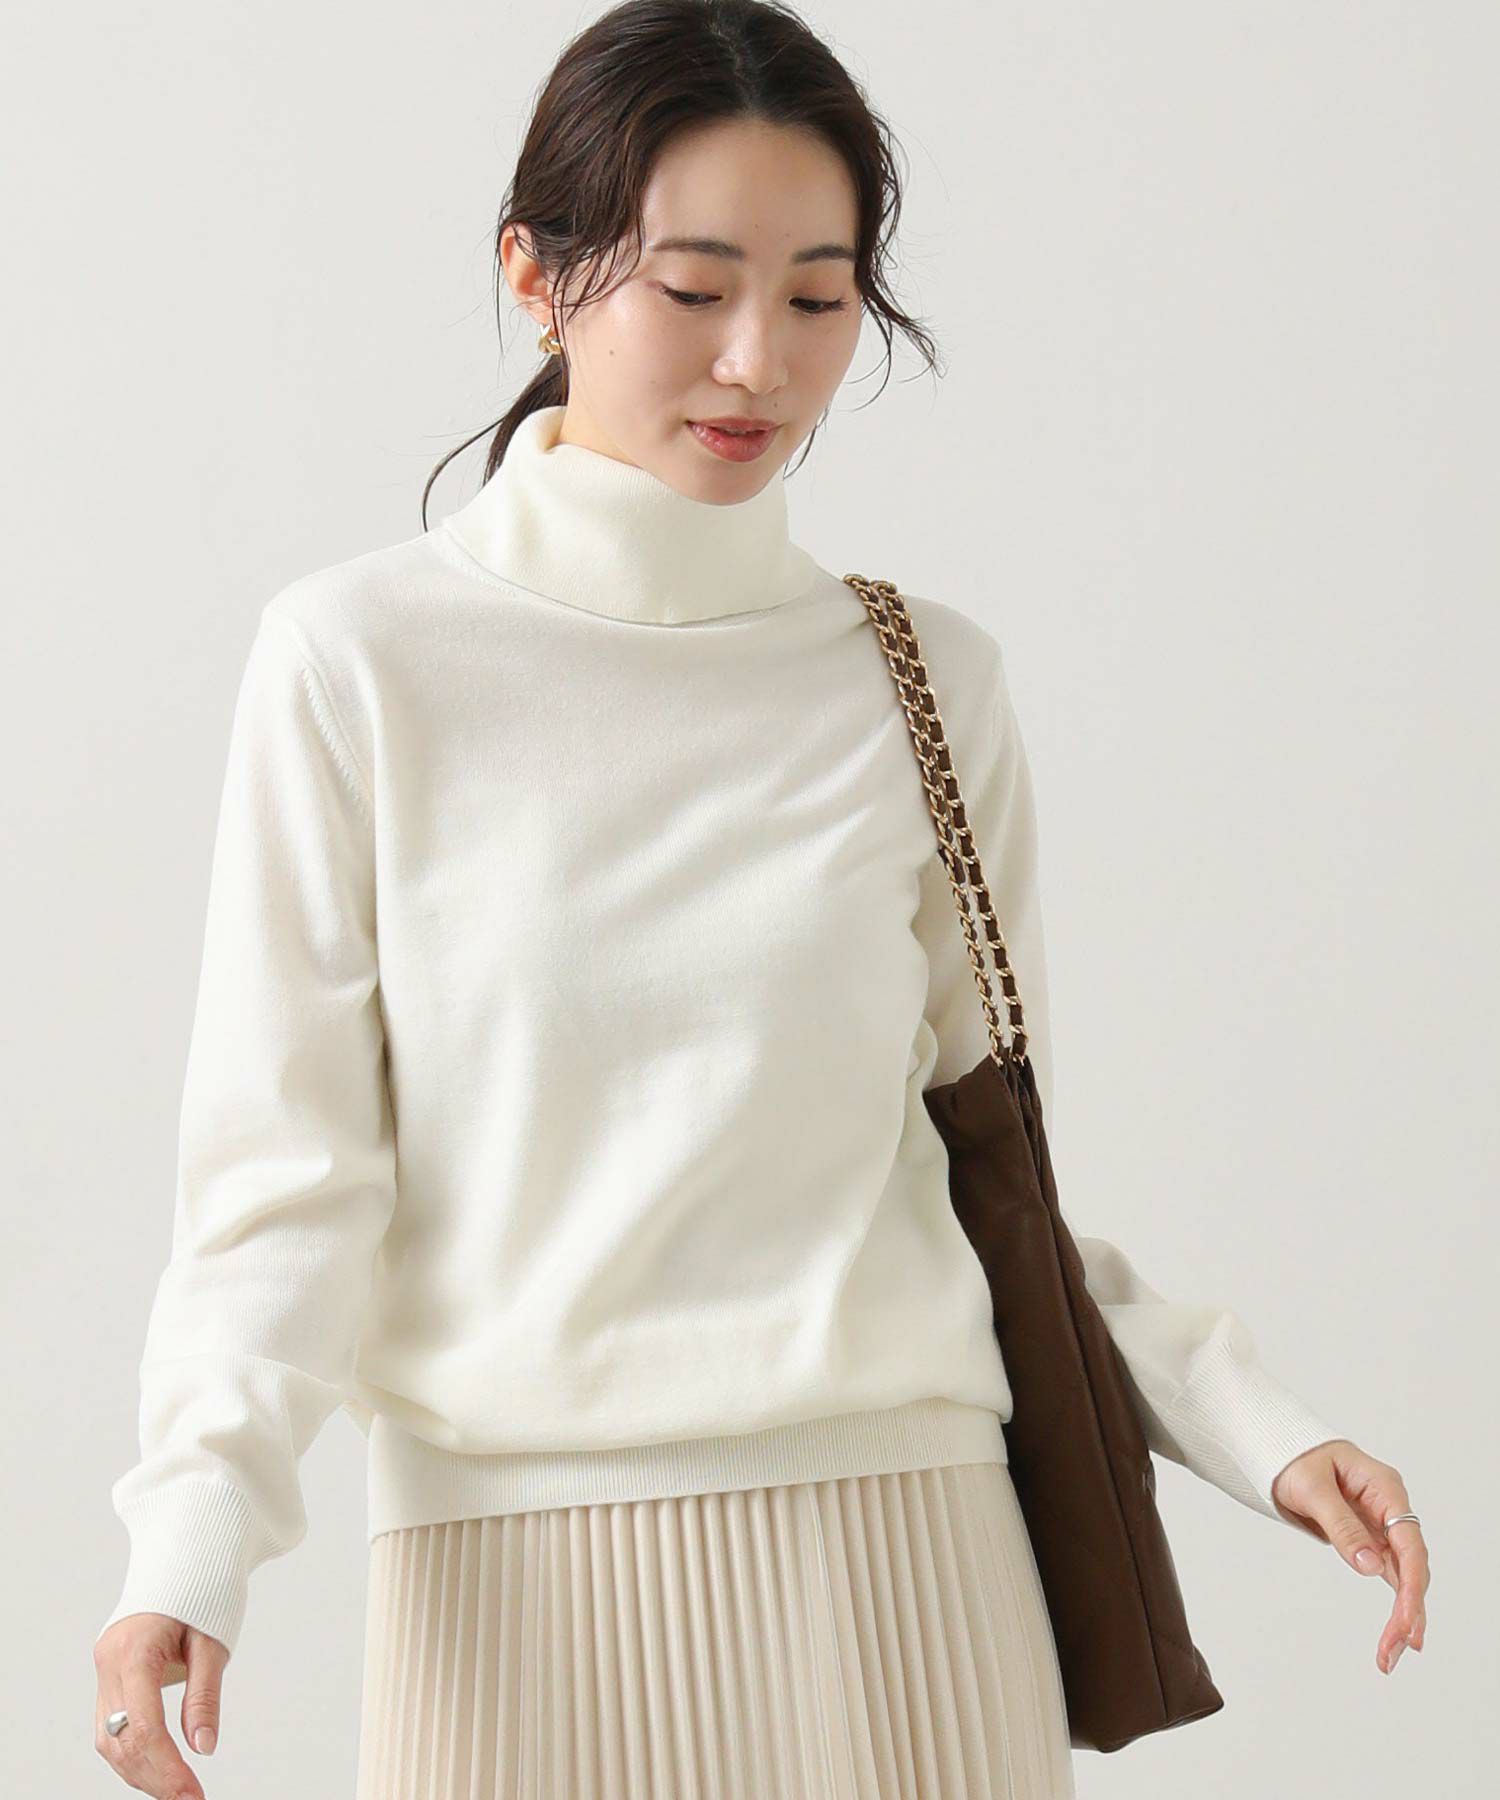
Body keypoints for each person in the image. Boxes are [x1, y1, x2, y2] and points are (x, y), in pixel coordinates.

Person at [92, 3, 1430, 1796]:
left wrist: (1257, 1430)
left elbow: (987, 1190)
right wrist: (189, 1546)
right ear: (534, 275)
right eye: (693, 287)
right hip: (519, 1609)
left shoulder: (922, 681)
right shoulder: (361, 664)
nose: (757, 363)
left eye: (818, 298)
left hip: (915, 1586)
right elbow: (285, 1189)